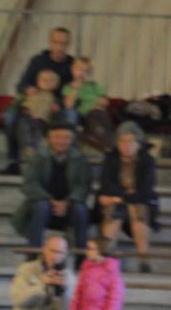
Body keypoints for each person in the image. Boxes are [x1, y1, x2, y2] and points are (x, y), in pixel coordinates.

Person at [0, 27, 74, 173]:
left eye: (64, 43)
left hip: (57, 106)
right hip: (34, 103)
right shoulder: (38, 61)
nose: (60, 47)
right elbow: (21, 85)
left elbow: (73, 90)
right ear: (50, 42)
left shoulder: (71, 65)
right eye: (56, 42)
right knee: (10, 117)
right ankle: (14, 161)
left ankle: (65, 162)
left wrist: (59, 103)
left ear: (68, 45)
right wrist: (28, 89)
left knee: (71, 117)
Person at [11, 119, 90, 254]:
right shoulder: (38, 157)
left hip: (69, 206)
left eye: (66, 138)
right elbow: (30, 184)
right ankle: (33, 255)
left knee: (80, 210)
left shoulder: (80, 159)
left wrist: (67, 202)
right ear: (49, 138)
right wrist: (50, 200)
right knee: (42, 207)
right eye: (57, 137)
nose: (62, 141)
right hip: (41, 204)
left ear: (72, 140)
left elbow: (83, 186)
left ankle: (81, 258)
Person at [97, 122, 159, 273]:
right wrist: (124, 196)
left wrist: (119, 198)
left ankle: (144, 261)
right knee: (116, 211)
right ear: (117, 143)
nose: (126, 145)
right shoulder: (111, 158)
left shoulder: (147, 160)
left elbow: (145, 191)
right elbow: (106, 185)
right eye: (122, 141)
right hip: (116, 202)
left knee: (137, 209)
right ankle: (105, 259)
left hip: (139, 203)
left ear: (139, 143)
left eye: (131, 141)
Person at [10, 235, 74, 310]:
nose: (55, 256)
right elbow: (19, 300)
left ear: (65, 254)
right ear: (44, 249)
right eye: (52, 251)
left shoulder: (69, 276)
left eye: (59, 252)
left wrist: (64, 290)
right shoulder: (27, 269)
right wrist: (41, 284)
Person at [62, 57, 112, 150]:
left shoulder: (94, 85)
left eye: (85, 71)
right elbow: (68, 105)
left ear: (89, 74)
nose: (81, 73)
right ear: (72, 70)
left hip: (95, 113)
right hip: (80, 115)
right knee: (69, 114)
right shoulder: (69, 87)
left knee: (98, 116)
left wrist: (99, 103)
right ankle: (72, 140)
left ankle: (104, 142)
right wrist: (75, 89)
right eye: (79, 70)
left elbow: (105, 101)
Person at [70, 237, 124, 310]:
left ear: (101, 250)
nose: (87, 251)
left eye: (90, 249)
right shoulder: (86, 268)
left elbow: (115, 295)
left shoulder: (111, 270)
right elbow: (78, 291)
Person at [15, 68, 63, 157]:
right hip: (29, 117)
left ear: (56, 85)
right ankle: (27, 147)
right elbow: (25, 104)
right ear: (37, 81)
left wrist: (56, 110)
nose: (46, 82)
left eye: (50, 81)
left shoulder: (54, 98)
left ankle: (34, 150)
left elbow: (56, 112)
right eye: (43, 80)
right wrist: (25, 110)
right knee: (23, 126)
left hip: (43, 121)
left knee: (38, 133)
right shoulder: (33, 93)